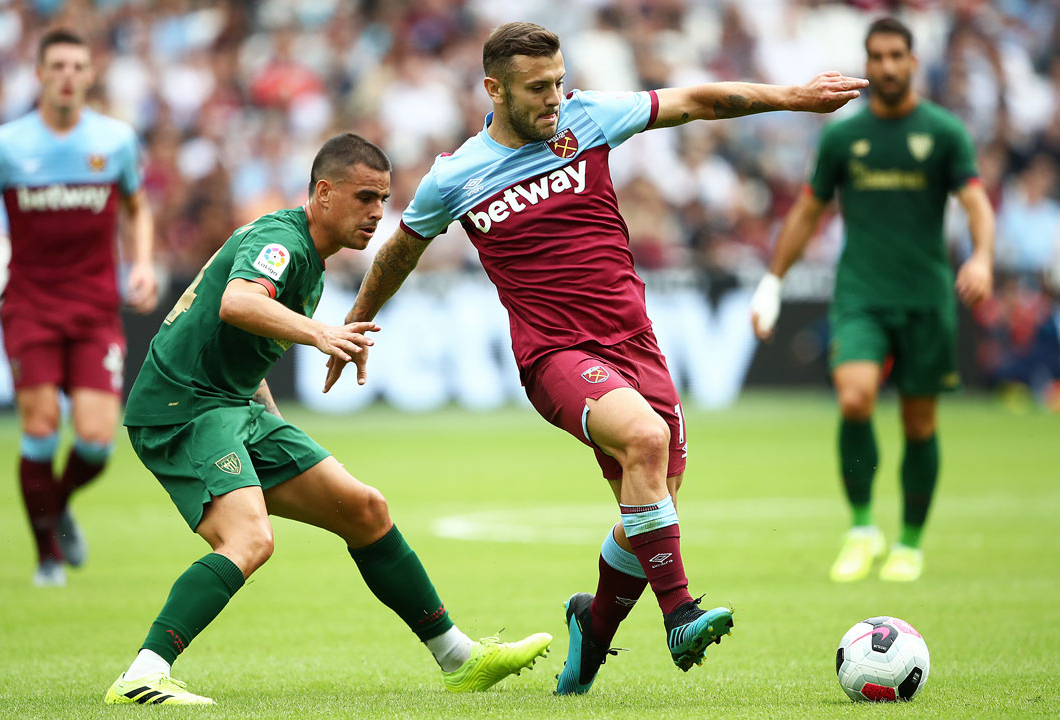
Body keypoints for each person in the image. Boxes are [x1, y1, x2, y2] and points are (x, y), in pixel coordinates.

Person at [324, 22, 867, 695]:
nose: (554, 98)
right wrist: (355, 324)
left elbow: (699, 101)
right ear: (493, 89)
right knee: (646, 438)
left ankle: (592, 629)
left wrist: (793, 97)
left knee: (654, 505)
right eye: (536, 89)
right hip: (553, 354)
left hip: (634, 341)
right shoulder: (455, 176)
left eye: (557, 81)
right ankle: (680, 613)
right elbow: (402, 250)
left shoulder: (590, 118)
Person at [106, 133, 551, 705]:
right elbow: (237, 303)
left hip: (233, 406)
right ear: (322, 193)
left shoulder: (312, 261)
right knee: (248, 538)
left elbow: (241, 346)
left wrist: (276, 433)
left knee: (365, 510)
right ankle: (143, 673)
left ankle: (459, 658)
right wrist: (323, 332)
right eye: (365, 197)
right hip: (184, 407)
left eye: (383, 201)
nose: (375, 213)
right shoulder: (280, 242)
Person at [750, 17, 995, 583]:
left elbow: (977, 202)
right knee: (855, 398)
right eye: (876, 57)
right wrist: (773, 282)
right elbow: (808, 210)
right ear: (867, 61)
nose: (885, 67)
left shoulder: (942, 132)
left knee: (919, 422)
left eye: (895, 56)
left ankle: (909, 542)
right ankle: (862, 527)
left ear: (912, 62)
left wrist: (981, 257)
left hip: (926, 297)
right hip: (860, 293)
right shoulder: (842, 137)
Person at [0, 29, 158, 587]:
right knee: (41, 429)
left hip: (94, 308)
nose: (68, 75)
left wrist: (141, 263)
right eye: (57, 65)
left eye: (78, 66)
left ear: (90, 76)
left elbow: (138, 208)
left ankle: (56, 504)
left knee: (94, 441)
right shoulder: (7, 145)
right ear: (40, 74)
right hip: (31, 305)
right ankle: (47, 554)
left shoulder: (113, 141)